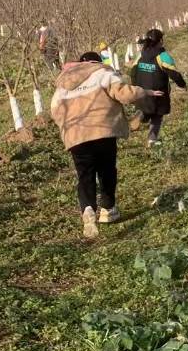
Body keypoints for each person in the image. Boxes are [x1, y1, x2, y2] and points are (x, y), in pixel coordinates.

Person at [50, 52, 159, 238]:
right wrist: (145, 92)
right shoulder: (102, 73)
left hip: (76, 136)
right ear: (97, 61)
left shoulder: (63, 84)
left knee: (85, 175)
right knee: (107, 170)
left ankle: (87, 208)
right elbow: (124, 94)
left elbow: (55, 111)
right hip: (103, 131)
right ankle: (108, 210)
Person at [130, 29, 187, 146]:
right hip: (158, 91)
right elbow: (173, 73)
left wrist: (136, 86)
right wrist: (182, 84)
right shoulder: (162, 55)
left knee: (146, 109)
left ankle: (140, 116)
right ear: (161, 40)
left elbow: (133, 71)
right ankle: (152, 139)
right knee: (157, 116)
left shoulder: (141, 54)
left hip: (142, 90)